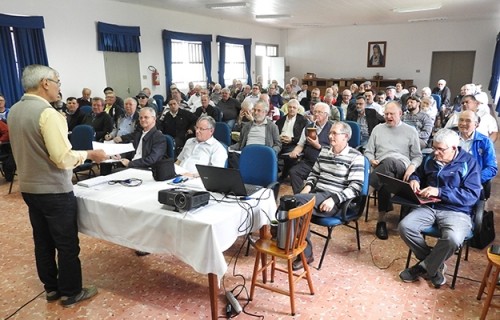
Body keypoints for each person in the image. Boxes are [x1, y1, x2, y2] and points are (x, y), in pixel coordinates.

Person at [8, 64, 108, 307]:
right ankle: (71, 292)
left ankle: (51, 289)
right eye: (57, 82)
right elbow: (62, 158)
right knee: (66, 244)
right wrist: (89, 155)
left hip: (30, 188)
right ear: (45, 83)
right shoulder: (48, 114)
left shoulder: (14, 111)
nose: (59, 87)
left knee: (42, 241)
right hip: (54, 190)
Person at [398, 129, 481, 288]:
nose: (435, 152)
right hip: (429, 206)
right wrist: (414, 180)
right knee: (405, 227)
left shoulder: (469, 163)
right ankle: (434, 265)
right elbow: (418, 174)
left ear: (454, 148)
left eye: (440, 149)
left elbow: (471, 195)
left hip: (457, 210)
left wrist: (440, 192)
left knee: (453, 238)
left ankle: (423, 267)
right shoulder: (431, 158)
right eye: (434, 147)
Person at [292, 121, 365, 270]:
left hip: (335, 201)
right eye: (330, 133)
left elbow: (356, 188)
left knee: (293, 203)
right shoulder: (325, 151)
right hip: (317, 194)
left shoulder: (356, 157)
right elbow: (314, 174)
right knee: (292, 203)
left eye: (334, 133)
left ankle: (302, 252)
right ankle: (292, 245)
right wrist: (307, 186)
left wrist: (334, 199)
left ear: (345, 136)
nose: (330, 136)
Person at [364, 101, 422, 240]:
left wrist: (412, 166)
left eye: (392, 114)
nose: (388, 116)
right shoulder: (378, 129)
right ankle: (381, 221)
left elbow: (418, 156)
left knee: (389, 163)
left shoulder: (410, 131)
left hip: (402, 168)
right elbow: (368, 151)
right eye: (386, 114)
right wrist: (372, 160)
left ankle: (363, 194)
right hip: (381, 167)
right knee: (385, 178)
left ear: (400, 114)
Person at [288, 102, 333, 193]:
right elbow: (300, 145)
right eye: (315, 112)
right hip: (308, 162)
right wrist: (295, 152)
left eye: (319, 112)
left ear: (326, 115)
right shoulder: (308, 127)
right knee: (294, 172)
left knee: (320, 180)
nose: (316, 114)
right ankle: (300, 197)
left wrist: (318, 146)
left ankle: (311, 197)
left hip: (325, 164)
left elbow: (335, 150)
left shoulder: (332, 129)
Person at [228, 100, 281, 168]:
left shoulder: (272, 127)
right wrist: (229, 148)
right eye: (254, 110)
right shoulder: (247, 126)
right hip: (247, 153)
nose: (255, 113)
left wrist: (271, 152)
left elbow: (278, 145)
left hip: (263, 154)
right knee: (231, 156)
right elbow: (240, 143)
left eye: (258, 110)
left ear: (265, 112)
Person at [457, 110, 497, 198]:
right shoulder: (451, 137)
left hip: (472, 182)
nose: (463, 123)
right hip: (451, 178)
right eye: (461, 120)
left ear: (476, 124)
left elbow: (491, 168)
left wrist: (475, 179)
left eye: (468, 120)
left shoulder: (485, 142)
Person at [275, 99, 308, 181]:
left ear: (298, 109)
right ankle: (275, 173)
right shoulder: (280, 121)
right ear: (287, 108)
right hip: (280, 143)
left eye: (294, 107)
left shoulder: (303, 121)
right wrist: (279, 137)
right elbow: (275, 133)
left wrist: (292, 139)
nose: (292, 109)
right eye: (290, 107)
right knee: (271, 152)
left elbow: (303, 138)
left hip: (294, 144)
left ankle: (283, 176)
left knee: (290, 156)